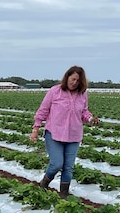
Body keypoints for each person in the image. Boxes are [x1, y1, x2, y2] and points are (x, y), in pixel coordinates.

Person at [29, 65, 99, 199]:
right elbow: (43, 110)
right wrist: (35, 129)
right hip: (54, 133)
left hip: (73, 135)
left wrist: (90, 119)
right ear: (67, 77)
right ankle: (44, 184)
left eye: (78, 81)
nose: (74, 83)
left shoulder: (82, 94)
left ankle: (64, 195)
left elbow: (84, 112)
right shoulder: (55, 91)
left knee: (68, 167)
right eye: (73, 79)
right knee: (56, 163)